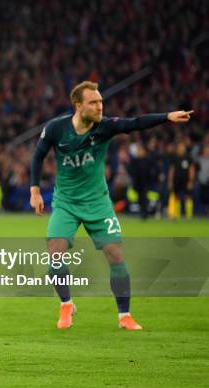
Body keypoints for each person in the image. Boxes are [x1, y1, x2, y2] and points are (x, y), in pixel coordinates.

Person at [29, 81, 192, 330]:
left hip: (98, 203)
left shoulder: (104, 127)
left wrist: (167, 117)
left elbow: (135, 122)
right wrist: (35, 191)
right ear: (78, 105)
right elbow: (38, 155)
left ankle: (124, 316)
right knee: (55, 253)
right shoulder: (55, 128)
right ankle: (66, 305)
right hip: (66, 203)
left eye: (101, 102)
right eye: (93, 102)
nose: (99, 106)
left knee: (115, 255)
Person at [168, 142, 196, 219]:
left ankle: (189, 215)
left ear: (185, 148)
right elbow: (172, 170)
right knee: (176, 197)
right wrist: (170, 181)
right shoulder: (174, 157)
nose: (181, 148)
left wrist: (191, 180)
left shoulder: (188, 157)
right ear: (177, 148)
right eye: (180, 146)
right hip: (176, 180)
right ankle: (176, 215)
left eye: (182, 146)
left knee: (188, 197)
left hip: (186, 180)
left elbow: (192, 169)